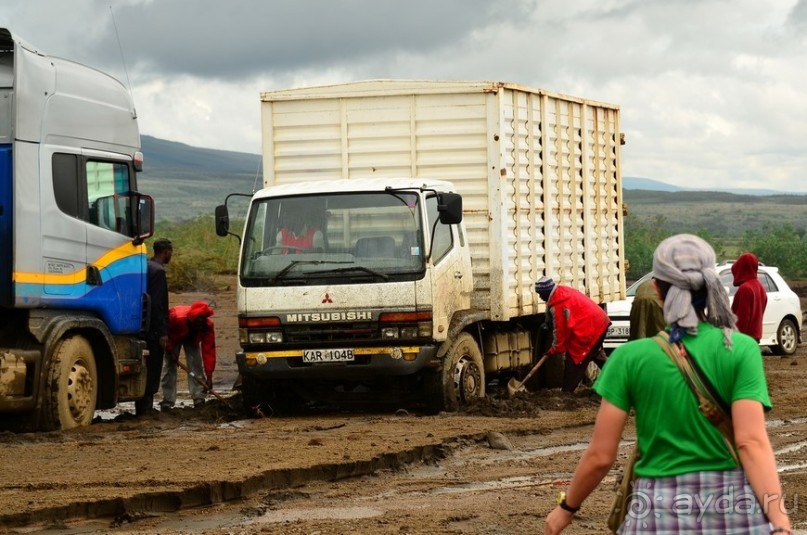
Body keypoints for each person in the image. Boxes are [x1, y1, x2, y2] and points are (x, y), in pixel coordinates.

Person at [544, 234, 791, 534]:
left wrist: (566, 509)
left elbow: (600, 456)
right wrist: (779, 523)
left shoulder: (629, 358)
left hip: (655, 513)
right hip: (732, 510)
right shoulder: (740, 349)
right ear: (709, 287)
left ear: (657, 290)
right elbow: (750, 443)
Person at [535, 277, 611, 393]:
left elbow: (559, 332)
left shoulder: (557, 304)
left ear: (546, 292)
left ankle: (567, 392)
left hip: (590, 327)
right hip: (599, 321)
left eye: (540, 294)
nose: (540, 297)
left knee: (575, 360)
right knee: (594, 353)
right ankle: (620, 377)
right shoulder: (561, 292)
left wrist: (554, 349)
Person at [135, 238, 172, 416]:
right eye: (170, 252)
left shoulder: (146, 266)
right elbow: (159, 304)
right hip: (154, 330)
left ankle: (141, 405)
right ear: (166, 252)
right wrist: (163, 332)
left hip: (141, 326)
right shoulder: (159, 272)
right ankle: (146, 407)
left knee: (145, 367)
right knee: (154, 368)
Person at [160, 301, 217, 409]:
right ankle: (167, 400)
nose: (201, 322)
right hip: (173, 335)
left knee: (196, 364)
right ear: (193, 319)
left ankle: (199, 397)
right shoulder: (175, 317)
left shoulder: (207, 327)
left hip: (192, 338)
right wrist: (170, 350)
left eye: (202, 319)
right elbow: (165, 333)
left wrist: (209, 376)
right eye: (198, 321)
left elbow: (209, 350)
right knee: (169, 367)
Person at [732, 252, 767, 342]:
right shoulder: (760, 287)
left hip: (744, 339)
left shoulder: (745, 288)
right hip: (755, 337)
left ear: (741, 268)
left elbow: (742, 318)